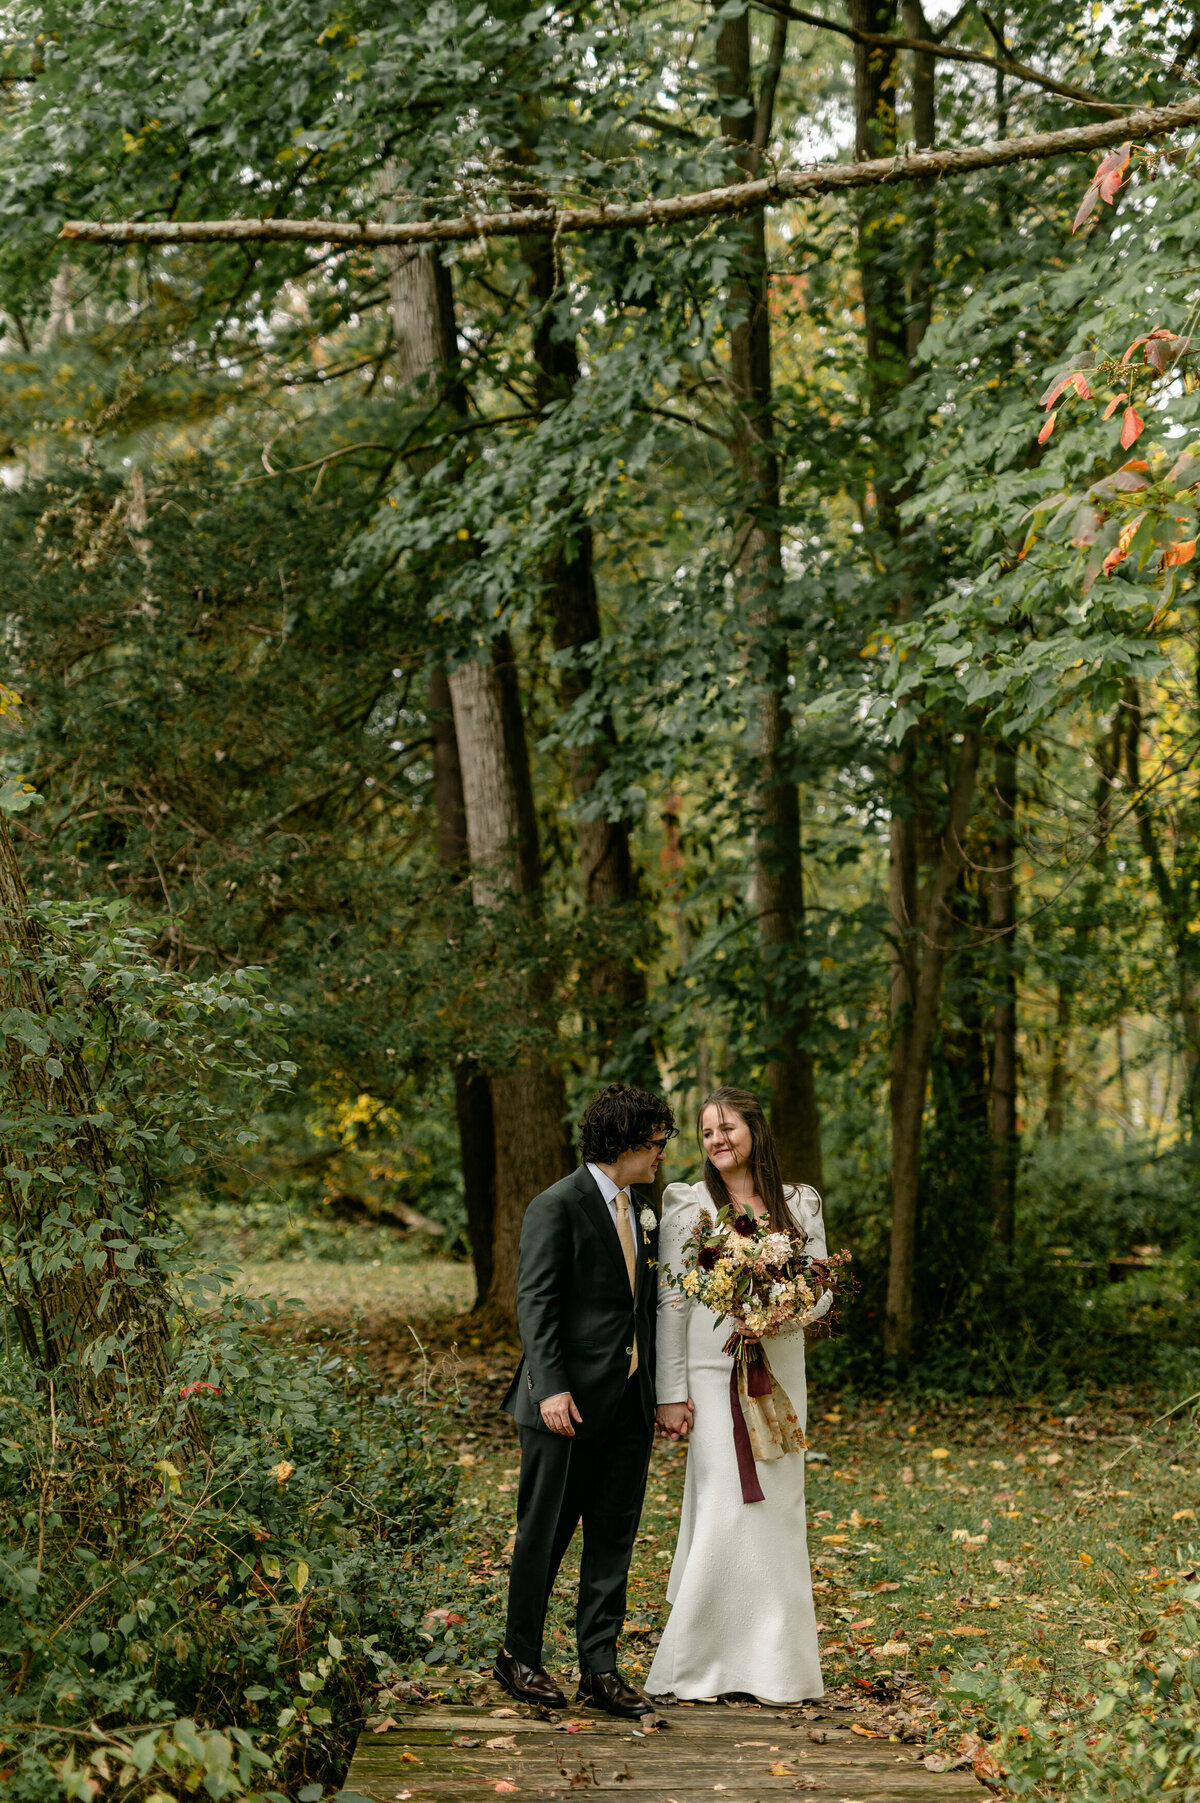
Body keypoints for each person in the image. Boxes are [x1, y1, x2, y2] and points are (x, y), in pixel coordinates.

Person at [496, 1082, 677, 1718]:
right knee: (543, 1534)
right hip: (562, 1405)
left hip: (628, 1400)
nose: (662, 1155)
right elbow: (536, 1303)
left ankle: (599, 1668)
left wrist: (658, 1390)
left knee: (612, 1536)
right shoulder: (557, 1205)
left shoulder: (643, 1207)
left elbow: (645, 1308)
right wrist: (551, 1387)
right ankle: (519, 1656)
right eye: (656, 1143)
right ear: (623, 1143)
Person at [646, 1086, 828, 1705]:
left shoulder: (798, 1205)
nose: (717, 1140)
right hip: (709, 1372)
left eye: (728, 1127)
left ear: (755, 1128)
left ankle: (777, 1667)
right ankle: (701, 1664)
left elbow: (823, 1288)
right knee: (726, 1503)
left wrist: (786, 1310)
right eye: (706, 1132)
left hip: (777, 1373)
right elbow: (671, 1305)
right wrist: (669, 1393)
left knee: (778, 1508)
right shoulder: (689, 1206)